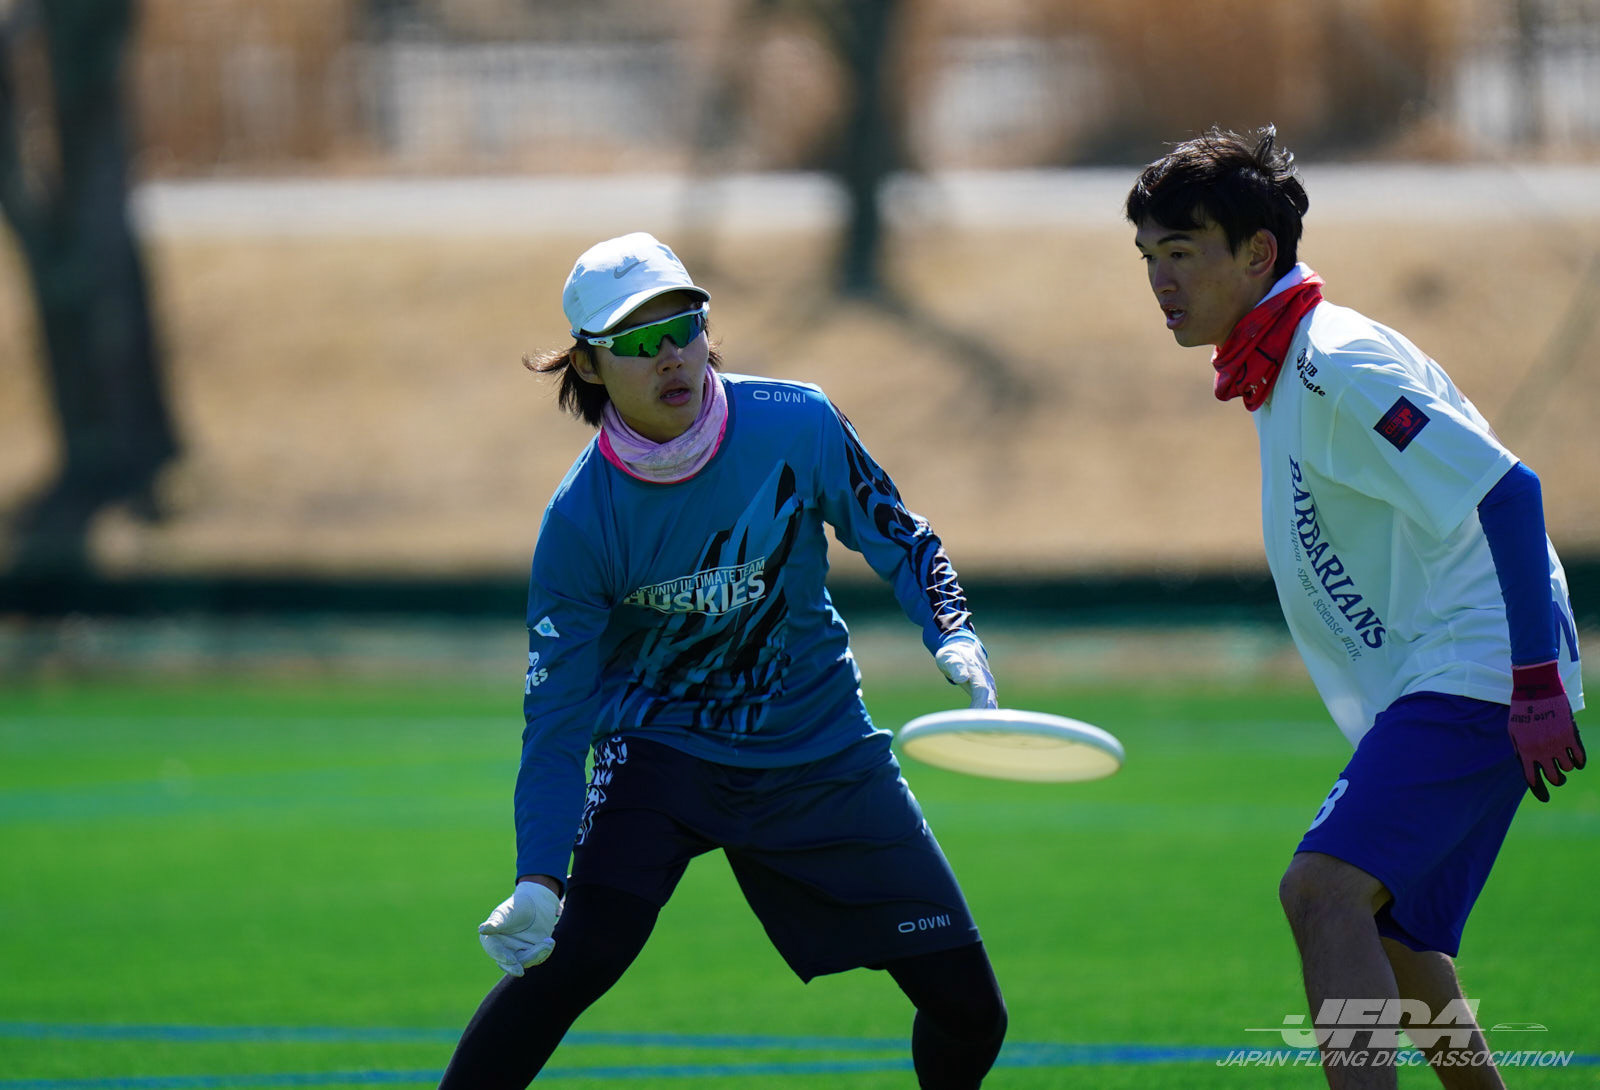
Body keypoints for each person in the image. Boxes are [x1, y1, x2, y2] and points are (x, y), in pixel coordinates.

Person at [438, 232, 1008, 1089]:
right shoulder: (580, 523)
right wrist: (538, 878)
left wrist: (952, 632)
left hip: (819, 749)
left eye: (686, 325)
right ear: (588, 365)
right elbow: (555, 722)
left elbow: (900, 534)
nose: (671, 355)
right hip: (661, 755)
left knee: (970, 1012)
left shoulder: (797, 421)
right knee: (568, 960)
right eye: (638, 340)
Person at [1126, 128, 1585, 1090]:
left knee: (1322, 892)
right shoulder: (1284, 363)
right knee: (1396, 938)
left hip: (1480, 663)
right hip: (1447, 667)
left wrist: (1535, 681)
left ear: (1259, 253)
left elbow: (1509, 492)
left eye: (1183, 253)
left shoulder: (1334, 362)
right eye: (1150, 257)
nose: (1161, 281)